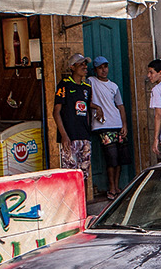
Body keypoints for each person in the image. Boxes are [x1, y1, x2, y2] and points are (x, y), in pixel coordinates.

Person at [53, 54, 94, 194]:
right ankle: (72, 207)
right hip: (70, 137)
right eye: (80, 64)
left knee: (84, 174)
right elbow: (56, 112)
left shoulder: (86, 87)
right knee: (71, 174)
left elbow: (87, 109)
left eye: (85, 64)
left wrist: (88, 132)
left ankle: (84, 205)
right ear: (72, 67)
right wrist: (64, 135)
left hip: (84, 136)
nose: (84, 66)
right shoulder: (64, 85)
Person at [88, 56, 128, 198]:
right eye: (100, 67)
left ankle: (117, 187)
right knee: (111, 158)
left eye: (105, 66)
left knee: (119, 159)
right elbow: (85, 99)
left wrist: (124, 125)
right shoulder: (91, 82)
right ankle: (111, 188)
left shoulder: (113, 86)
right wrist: (96, 107)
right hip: (104, 126)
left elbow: (120, 106)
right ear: (95, 70)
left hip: (117, 123)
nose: (104, 70)